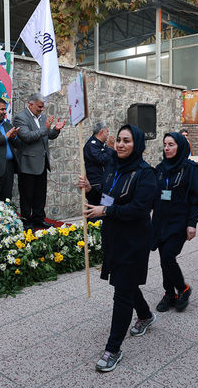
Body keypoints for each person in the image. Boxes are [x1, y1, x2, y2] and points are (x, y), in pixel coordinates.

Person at [77, 124, 157, 373]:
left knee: (121, 292)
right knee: (125, 283)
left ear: (138, 145)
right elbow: (109, 194)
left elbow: (139, 209)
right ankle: (145, 315)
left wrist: (107, 211)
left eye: (127, 141)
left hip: (134, 241)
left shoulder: (146, 174)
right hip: (114, 237)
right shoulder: (113, 167)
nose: (120, 145)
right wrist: (93, 190)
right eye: (119, 140)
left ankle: (113, 349)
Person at [152, 132, 198, 310]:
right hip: (160, 221)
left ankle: (183, 288)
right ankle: (169, 293)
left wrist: (192, 223)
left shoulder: (190, 168)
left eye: (171, 144)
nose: (167, 148)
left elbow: (196, 198)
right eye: (165, 144)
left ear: (179, 146)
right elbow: (153, 195)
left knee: (168, 257)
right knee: (164, 260)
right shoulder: (160, 168)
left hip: (179, 221)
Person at [13, 93, 65, 229]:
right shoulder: (20, 118)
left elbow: (47, 135)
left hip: (42, 163)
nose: (42, 109)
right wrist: (45, 128)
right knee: (27, 195)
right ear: (30, 104)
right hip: (28, 164)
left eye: (43, 107)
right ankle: (26, 221)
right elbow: (27, 136)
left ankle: (39, 218)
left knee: (40, 195)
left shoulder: (42, 118)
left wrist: (56, 130)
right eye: (39, 107)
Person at [83, 121, 115, 204]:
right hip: (96, 185)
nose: (108, 134)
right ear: (101, 132)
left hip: (105, 183)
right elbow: (101, 159)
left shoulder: (101, 145)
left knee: (106, 208)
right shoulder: (91, 145)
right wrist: (110, 148)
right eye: (107, 131)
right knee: (97, 209)